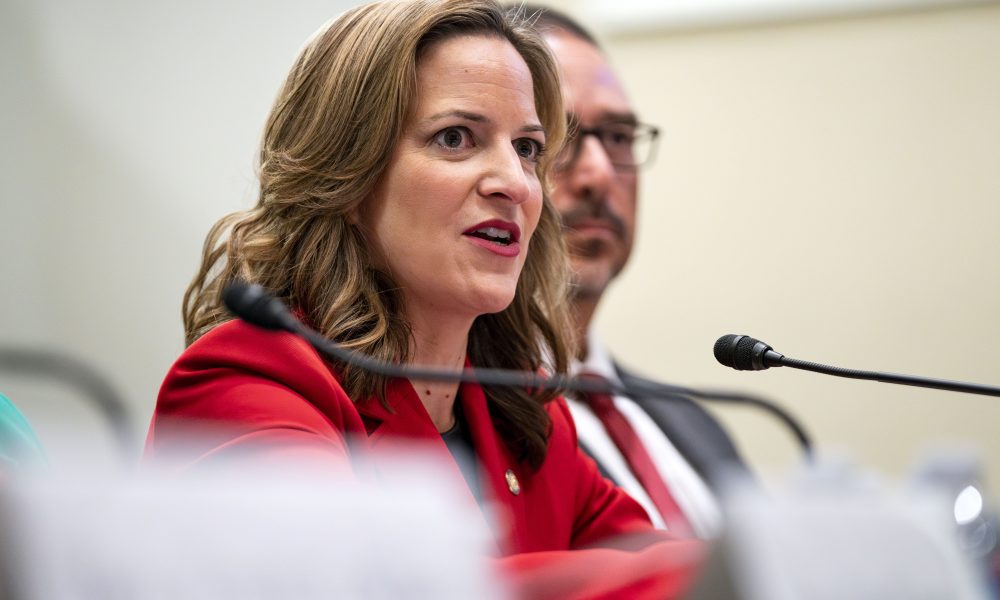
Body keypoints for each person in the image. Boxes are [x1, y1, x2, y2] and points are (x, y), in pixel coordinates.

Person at [145, 1, 702, 596]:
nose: (515, 182)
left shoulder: (524, 413)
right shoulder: (243, 385)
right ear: (348, 177)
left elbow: (674, 574)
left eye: (528, 148)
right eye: (456, 138)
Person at [523, 5, 749, 539]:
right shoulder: (464, 414)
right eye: (560, 134)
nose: (599, 174)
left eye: (620, 137)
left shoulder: (694, 420)